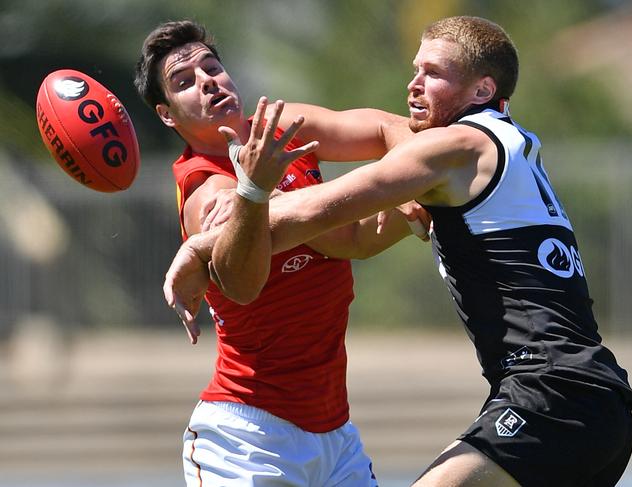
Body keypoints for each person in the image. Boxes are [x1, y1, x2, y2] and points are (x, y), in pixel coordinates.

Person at [165, 15, 632, 487]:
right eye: (415, 69)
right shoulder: (510, 143)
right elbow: (341, 231)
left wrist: (202, 245)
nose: (413, 85)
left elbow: (321, 211)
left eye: (432, 73)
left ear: (481, 91)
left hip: (547, 392)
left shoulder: (452, 148)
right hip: (600, 403)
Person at [134, 19, 428, 487]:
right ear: (168, 115)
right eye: (184, 82)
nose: (207, 81)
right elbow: (246, 285)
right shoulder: (207, 191)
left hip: (336, 436)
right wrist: (405, 187)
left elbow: (384, 127)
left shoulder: (283, 126)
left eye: (212, 67)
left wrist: (421, 176)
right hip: (247, 439)